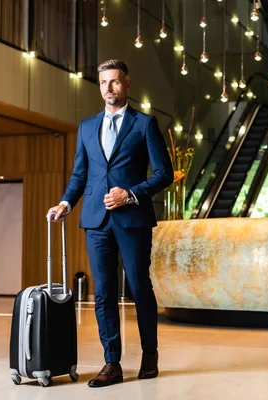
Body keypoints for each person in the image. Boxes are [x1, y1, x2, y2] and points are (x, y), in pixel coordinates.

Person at [47, 59, 173, 388]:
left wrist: (131, 194)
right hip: (95, 220)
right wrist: (65, 202)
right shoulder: (87, 127)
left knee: (138, 287)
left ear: (127, 85)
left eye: (114, 82)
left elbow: (164, 174)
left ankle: (149, 354)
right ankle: (111, 362)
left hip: (132, 219)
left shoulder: (145, 124)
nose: (108, 88)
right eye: (103, 83)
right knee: (102, 293)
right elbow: (80, 172)